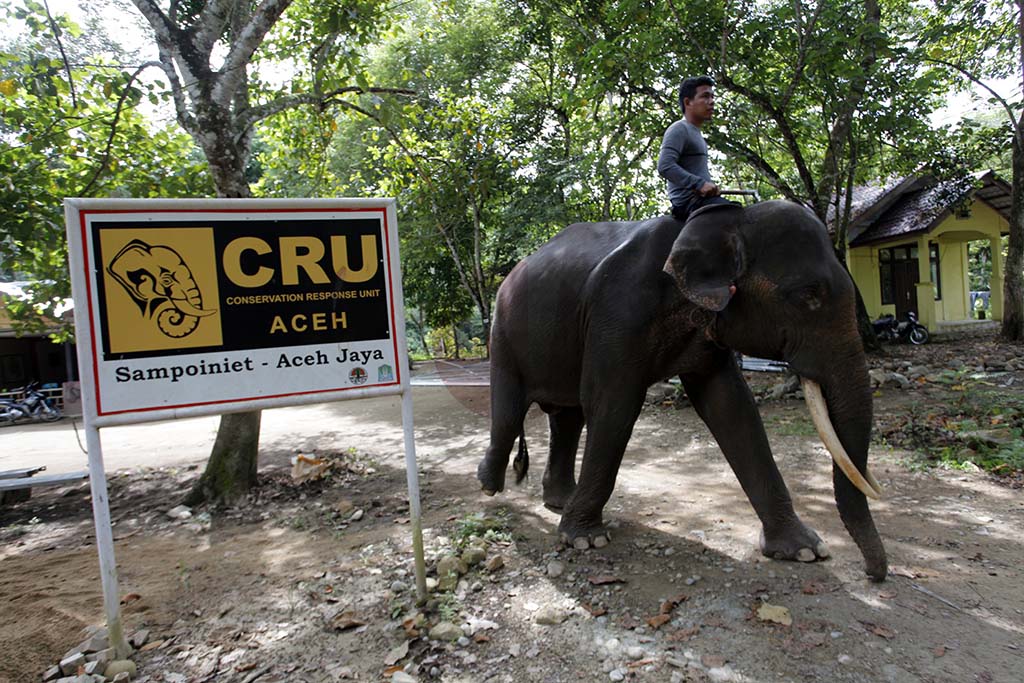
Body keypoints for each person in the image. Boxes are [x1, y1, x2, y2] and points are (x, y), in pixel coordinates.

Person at [658, 76, 736, 222]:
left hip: (702, 201)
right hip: (688, 204)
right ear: (688, 102)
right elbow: (665, 166)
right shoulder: (679, 129)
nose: (712, 101)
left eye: (713, 96)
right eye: (705, 96)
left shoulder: (696, 133)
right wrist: (699, 184)